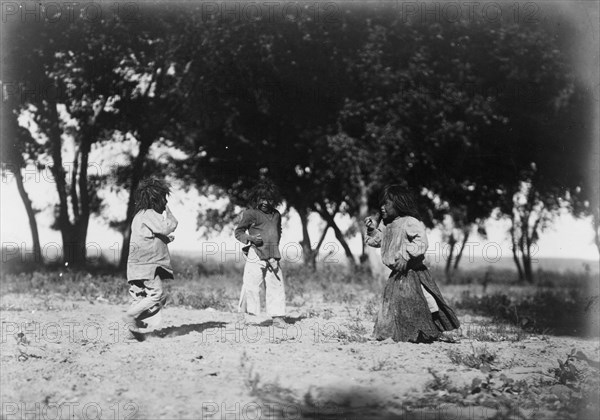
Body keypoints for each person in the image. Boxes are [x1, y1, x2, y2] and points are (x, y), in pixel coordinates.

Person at [365, 185, 459, 343]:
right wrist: (372, 231)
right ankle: (395, 334)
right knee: (392, 307)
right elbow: (377, 242)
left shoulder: (410, 222)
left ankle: (428, 332)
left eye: (386, 203)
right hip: (396, 275)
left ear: (398, 203)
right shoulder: (386, 225)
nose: (382, 207)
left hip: (413, 273)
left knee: (423, 303)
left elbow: (421, 242)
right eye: (381, 204)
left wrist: (406, 255)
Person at [123, 178, 178, 340]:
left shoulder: (139, 216)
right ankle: (131, 316)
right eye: (164, 198)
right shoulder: (149, 214)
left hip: (135, 266)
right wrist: (170, 214)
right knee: (157, 295)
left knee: (139, 297)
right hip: (148, 266)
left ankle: (131, 331)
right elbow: (166, 227)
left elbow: (147, 239)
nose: (166, 201)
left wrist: (165, 240)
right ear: (155, 199)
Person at [234, 180, 286, 327]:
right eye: (261, 199)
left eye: (268, 199)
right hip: (255, 254)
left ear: (274, 200)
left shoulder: (276, 215)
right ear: (256, 198)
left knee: (276, 285)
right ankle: (242, 316)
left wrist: (273, 249)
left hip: (273, 256)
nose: (264, 202)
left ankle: (277, 317)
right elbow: (238, 232)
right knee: (250, 285)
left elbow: (278, 231)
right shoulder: (251, 214)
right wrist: (250, 238)